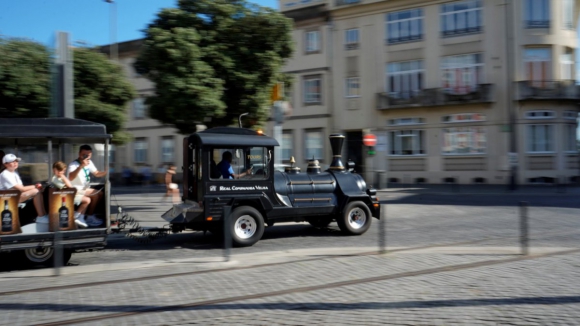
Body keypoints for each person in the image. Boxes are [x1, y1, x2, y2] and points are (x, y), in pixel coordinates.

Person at [0, 154, 48, 223]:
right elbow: (22, 189)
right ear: (5, 164)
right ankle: (41, 216)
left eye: (16, 161)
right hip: (4, 201)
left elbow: (21, 189)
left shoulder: (15, 173)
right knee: (36, 191)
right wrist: (36, 186)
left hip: (12, 197)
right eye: (12, 161)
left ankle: (43, 215)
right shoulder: (5, 174)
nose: (15, 163)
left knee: (37, 191)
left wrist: (38, 187)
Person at [68, 145, 107, 227]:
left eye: (88, 155)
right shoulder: (74, 164)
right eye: (83, 155)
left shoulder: (89, 163)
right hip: (75, 190)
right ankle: (89, 216)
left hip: (84, 189)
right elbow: (71, 177)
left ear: (91, 155)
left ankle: (89, 215)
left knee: (100, 194)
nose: (86, 157)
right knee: (95, 195)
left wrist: (105, 172)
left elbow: (96, 173)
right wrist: (81, 166)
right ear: (79, 154)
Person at [50, 161, 91, 228]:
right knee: (87, 200)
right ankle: (75, 216)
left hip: (69, 194)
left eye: (63, 171)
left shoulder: (59, 177)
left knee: (87, 196)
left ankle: (81, 217)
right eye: (60, 171)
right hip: (65, 197)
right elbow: (69, 186)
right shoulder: (55, 179)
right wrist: (63, 177)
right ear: (54, 170)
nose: (62, 173)